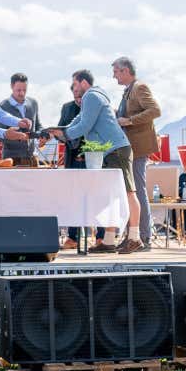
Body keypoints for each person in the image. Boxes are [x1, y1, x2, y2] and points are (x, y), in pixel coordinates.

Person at [47, 70, 143, 254]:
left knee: (129, 192)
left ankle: (134, 237)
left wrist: (64, 134)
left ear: (83, 82)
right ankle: (108, 241)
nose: (73, 89)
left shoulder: (91, 96)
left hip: (117, 150)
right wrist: (56, 131)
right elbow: (76, 122)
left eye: (74, 84)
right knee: (111, 196)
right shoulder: (92, 97)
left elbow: (84, 126)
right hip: (110, 151)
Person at [112, 57, 161, 249]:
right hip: (132, 149)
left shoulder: (139, 87)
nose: (113, 76)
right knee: (132, 192)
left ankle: (143, 236)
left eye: (116, 72)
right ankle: (135, 235)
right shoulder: (130, 90)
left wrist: (129, 120)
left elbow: (155, 110)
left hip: (138, 149)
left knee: (137, 192)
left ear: (125, 71)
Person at [58, 85, 105, 249]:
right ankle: (72, 237)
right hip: (73, 159)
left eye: (81, 96)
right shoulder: (67, 108)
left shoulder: (95, 105)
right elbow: (61, 132)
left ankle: (101, 237)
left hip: (94, 159)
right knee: (74, 198)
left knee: (98, 198)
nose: (78, 99)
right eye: (75, 96)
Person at [0, 72, 44, 166]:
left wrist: (42, 134)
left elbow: (38, 125)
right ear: (11, 86)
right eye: (18, 90)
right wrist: (20, 137)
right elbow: (0, 136)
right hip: (11, 160)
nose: (22, 93)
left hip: (32, 158)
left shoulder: (33, 103)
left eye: (24, 90)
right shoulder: (1, 107)